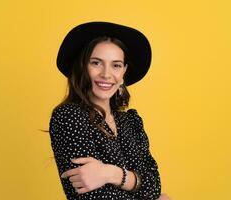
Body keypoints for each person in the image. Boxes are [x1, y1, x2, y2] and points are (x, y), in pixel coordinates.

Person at [49, 21, 170, 200]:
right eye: (96, 63)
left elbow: (154, 184)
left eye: (116, 65)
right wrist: (136, 183)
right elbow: (96, 196)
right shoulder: (69, 116)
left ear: (123, 73)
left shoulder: (131, 121)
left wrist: (110, 174)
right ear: (83, 67)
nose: (106, 74)